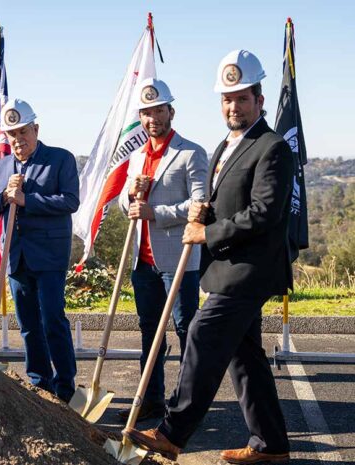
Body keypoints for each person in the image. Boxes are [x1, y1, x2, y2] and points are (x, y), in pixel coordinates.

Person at [124, 50, 292, 464]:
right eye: (226, 99)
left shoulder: (271, 147)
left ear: (259, 99)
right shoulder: (226, 145)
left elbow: (266, 212)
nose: (233, 106)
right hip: (227, 267)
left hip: (249, 269)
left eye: (241, 98)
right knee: (245, 355)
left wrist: (207, 231)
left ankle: (171, 433)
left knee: (201, 332)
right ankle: (270, 445)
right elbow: (224, 200)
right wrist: (204, 211)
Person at [118, 78, 207, 421]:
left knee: (187, 331)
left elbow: (200, 204)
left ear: (171, 111)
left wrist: (156, 213)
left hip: (178, 258)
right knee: (149, 330)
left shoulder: (191, 152)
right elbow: (130, 207)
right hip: (143, 261)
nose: (152, 118)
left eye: (158, 110)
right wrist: (131, 197)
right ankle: (150, 399)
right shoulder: (138, 157)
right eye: (146, 112)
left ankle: (187, 405)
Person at [0, 98, 80, 402]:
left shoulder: (60, 159)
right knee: (28, 326)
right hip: (17, 257)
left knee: (52, 320)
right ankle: (39, 384)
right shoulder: (1, 166)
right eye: (12, 134)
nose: (17, 140)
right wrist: (5, 197)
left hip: (49, 256)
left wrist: (26, 200)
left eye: (23, 132)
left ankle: (65, 387)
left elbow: (69, 201)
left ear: (36, 129)